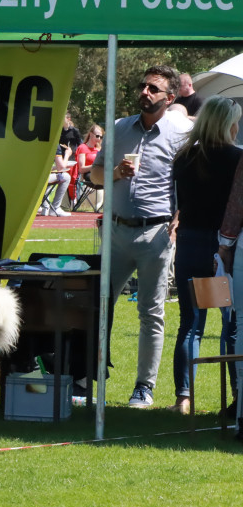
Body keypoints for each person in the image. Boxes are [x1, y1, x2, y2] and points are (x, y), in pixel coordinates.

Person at [91, 64, 192, 408]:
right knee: (100, 305)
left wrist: (179, 219)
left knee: (151, 313)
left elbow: (189, 183)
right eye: (142, 86)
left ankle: (143, 387)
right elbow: (93, 175)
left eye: (153, 88)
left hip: (157, 235)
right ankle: (91, 377)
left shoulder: (181, 131)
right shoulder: (119, 127)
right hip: (117, 232)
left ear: (170, 97)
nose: (144, 92)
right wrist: (115, 172)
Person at [169, 97, 242, 415]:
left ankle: (183, 397)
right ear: (229, 124)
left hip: (190, 243)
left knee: (191, 325)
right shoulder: (237, 158)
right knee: (231, 325)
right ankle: (238, 396)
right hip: (224, 249)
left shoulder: (184, 157)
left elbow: (180, 202)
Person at [39, 148, 72, 217]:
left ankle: (45, 207)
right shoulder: (55, 145)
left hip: (28, 176)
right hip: (40, 179)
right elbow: (61, 167)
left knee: (49, 176)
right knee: (66, 176)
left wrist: (55, 167)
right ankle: (55, 207)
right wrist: (67, 154)